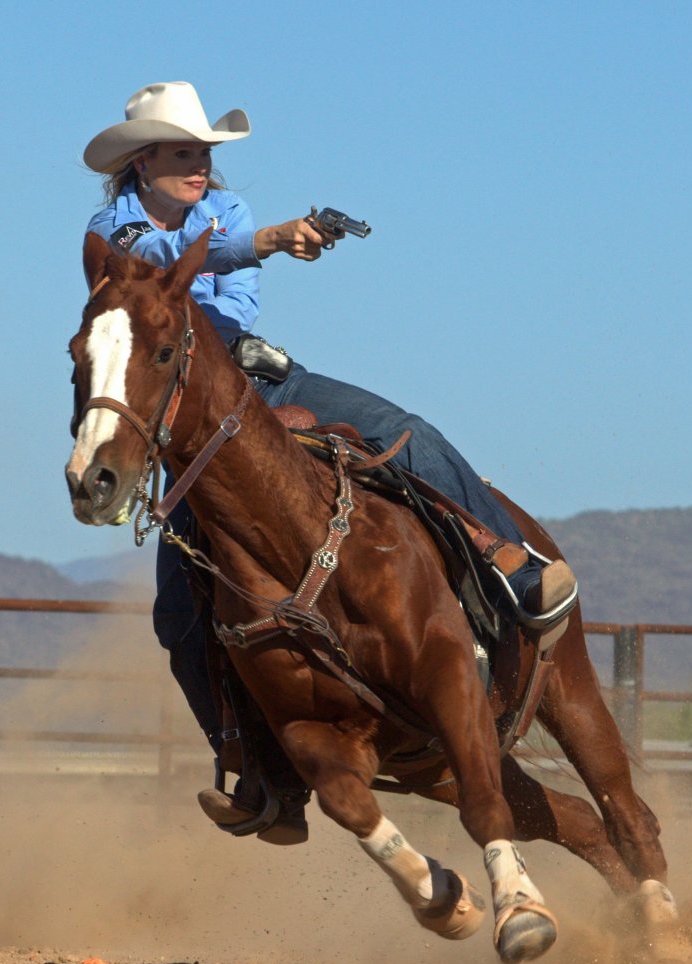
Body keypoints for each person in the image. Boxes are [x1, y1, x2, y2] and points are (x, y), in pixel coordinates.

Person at [81, 82, 578, 806]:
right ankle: (261, 773)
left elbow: (234, 298)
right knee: (179, 613)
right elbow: (164, 258)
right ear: (141, 162)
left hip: (251, 378)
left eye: (204, 152)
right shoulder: (115, 230)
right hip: (184, 415)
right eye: (183, 153)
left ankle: (509, 558)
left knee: (406, 433)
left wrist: (251, 248)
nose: (200, 165)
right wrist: (268, 240)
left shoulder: (227, 209)